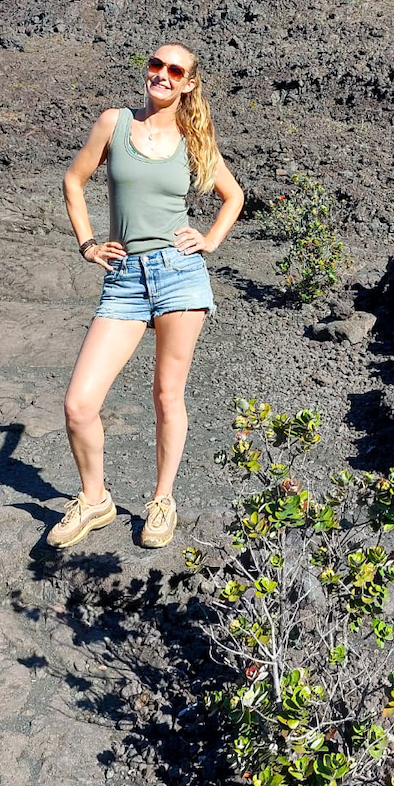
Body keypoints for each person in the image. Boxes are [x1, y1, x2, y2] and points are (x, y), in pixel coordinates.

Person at [47, 42, 244, 551]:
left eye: (174, 69)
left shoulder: (195, 139)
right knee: (78, 403)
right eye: (156, 64)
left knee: (166, 394)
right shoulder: (113, 122)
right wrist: (88, 243)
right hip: (125, 277)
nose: (161, 74)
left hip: (180, 273)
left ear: (188, 83)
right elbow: (73, 180)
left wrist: (211, 239)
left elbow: (233, 194)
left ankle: (161, 499)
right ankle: (96, 500)